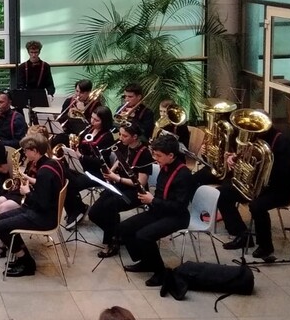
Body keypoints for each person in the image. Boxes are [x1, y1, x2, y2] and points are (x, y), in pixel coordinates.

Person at [119, 133, 195, 286]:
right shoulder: (165, 166)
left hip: (177, 217)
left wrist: (152, 200)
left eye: (159, 156)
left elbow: (179, 207)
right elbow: (161, 195)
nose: (156, 159)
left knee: (144, 236)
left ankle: (160, 272)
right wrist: (149, 198)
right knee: (124, 228)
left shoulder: (184, 175)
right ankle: (146, 261)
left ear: (171, 155)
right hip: (159, 210)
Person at [0, 133, 64, 278]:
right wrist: (29, 181)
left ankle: (26, 262)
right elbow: (47, 189)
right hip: (45, 211)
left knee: (0, 227)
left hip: (43, 217)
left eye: (26, 150)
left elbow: (42, 203)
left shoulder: (44, 172)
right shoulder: (52, 163)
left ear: (35, 151)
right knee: (1, 219)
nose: (24, 153)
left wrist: (27, 192)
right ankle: (23, 257)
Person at [219, 121, 290, 259]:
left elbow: (285, 173)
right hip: (257, 185)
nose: (252, 133)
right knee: (222, 192)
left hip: (279, 189)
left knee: (257, 206)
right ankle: (242, 234)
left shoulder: (282, 142)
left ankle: (265, 247)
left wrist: (261, 170)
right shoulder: (255, 139)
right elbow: (245, 157)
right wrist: (235, 160)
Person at [89, 120, 152, 257]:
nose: (120, 138)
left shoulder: (144, 154)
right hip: (118, 186)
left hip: (136, 193)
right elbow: (119, 159)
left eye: (124, 136)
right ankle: (117, 233)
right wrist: (110, 171)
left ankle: (112, 242)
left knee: (109, 207)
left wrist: (117, 178)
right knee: (94, 213)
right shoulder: (123, 145)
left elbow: (141, 182)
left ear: (134, 137)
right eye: (120, 134)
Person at [63, 105, 115, 229]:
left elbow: (100, 162)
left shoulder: (107, 137)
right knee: (62, 176)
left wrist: (81, 156)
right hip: (83, 167)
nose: (92, 122)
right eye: (92, 118)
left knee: (72, 183)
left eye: (96, 120)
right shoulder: (88, 130)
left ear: (105, 121)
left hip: (97, 172)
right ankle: (75, 208)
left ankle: (78, 209)